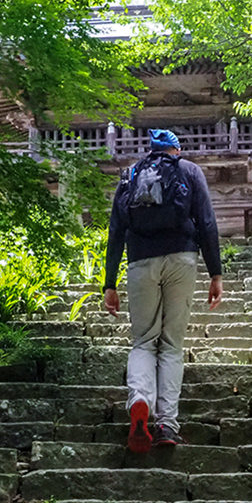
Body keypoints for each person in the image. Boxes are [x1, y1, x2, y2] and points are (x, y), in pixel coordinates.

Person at [102, 129, 223, 453]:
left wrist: (109, 283)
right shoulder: (189, 171)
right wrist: (216, 274)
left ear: (151, 150)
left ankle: (140, 399)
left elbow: (116, 230)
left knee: (143, 341)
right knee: (171, 346)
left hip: (141, 262)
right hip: (182, 259)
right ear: (176, 150)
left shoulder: (130, 175)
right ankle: (166, 424)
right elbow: (207, 223)